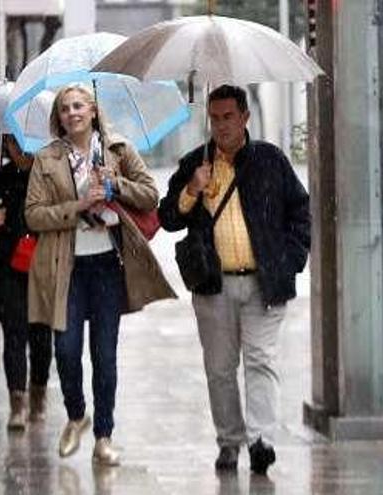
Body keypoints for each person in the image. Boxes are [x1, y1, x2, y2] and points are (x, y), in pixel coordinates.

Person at [158, 85, 310, 476]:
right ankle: (229, 441)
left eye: (228, 116)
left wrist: (290, 259)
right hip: (213, 285)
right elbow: (168, 218)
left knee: (261, 360)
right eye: (215, 117)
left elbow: (299, 211)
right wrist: (192, 189)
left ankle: (261, 441)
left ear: (245, 117)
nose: (221, 125)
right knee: (220, 369)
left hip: (264, 283)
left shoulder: (270, 161)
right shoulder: (196, 162)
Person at [24, 85, 176, 466]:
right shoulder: (46, 159)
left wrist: (114, 185)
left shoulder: (117, 148)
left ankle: (104, 435)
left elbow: (149, 195)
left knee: (104, 356)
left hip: (109, 266)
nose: (71, 113)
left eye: (78, 106)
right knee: (66, 352)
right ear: (58, 117)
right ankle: (77, 415)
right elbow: (33, 215)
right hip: (67, 268)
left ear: (93, 110)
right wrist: (78, 206)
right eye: (64, 109)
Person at [0, 134, 53, 431]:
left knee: (42, 337)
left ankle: (39, 395)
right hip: (9, 268)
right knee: (14, 334)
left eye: (26, 145)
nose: (20, 152)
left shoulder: (48, 176)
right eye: (13, 145)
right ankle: (16, 403)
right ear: (6, 146)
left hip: (43, 265)